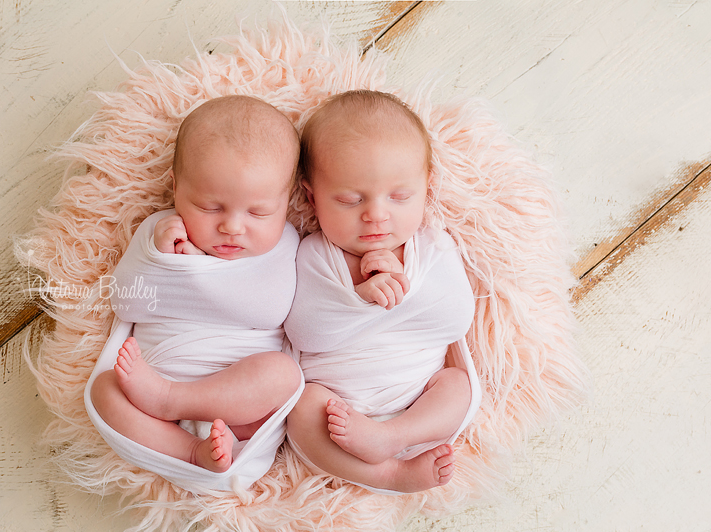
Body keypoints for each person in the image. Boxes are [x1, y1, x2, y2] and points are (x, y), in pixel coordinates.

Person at [91, 95, 302, 474]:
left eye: (258, 212)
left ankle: (175, 401)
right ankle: (190, 451)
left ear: (289, 200)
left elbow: (270, 309)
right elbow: (125, 302)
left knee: (284, 375)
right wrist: (161, 260)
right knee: (102, 390)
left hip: (237, 400)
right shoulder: (159, 231)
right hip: (153, 373)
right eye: (210, 207)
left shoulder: (284, 244)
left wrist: (193, 274)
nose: (233, 227)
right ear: (176, 187)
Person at [284, 90, 478, 493]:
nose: (376, 214)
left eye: (400, 196)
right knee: (301, 411)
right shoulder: (316, 253)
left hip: (419, 397)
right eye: (350, 199)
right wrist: (360, 297)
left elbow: (456, 318)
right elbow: (304, 333)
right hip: (338, 406)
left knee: (458, 384)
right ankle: (390, 474)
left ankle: (394, 438)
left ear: (427, 185)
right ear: (311, 196)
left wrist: (404, 291)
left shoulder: (432, 247)